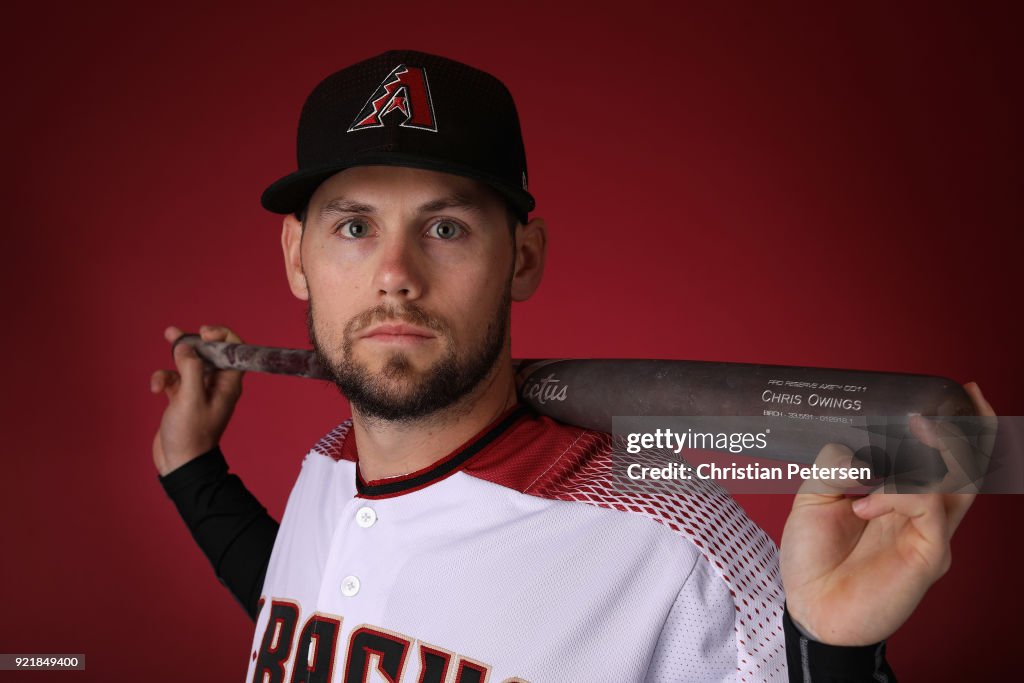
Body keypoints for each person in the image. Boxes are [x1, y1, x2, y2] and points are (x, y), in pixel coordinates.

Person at [150, 50, 994, 682]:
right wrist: (192, 468)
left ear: (522, 258)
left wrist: (835, 650)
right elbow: (317, 614)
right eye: (353, 227)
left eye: (445, 227)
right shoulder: (330, 465)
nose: (395, 273)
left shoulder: (669, 539)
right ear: (298, 255)